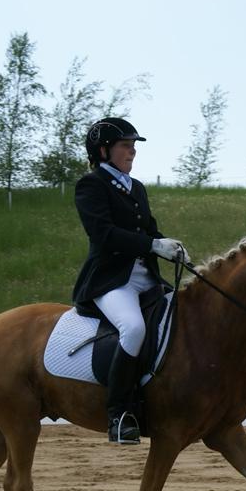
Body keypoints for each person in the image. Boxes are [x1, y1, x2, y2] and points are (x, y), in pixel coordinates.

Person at [72, 117, 185, 444]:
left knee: (184, 316)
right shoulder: (91, 185)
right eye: (125, 145)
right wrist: (152, 245)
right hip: (111, 281)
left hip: (147, 278)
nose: (132, 151)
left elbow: (149, 230)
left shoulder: (136, 187)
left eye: (133, 146)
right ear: (103, 151)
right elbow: (103, 233)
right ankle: (119, 414)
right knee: (133, 328)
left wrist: (170, 246)